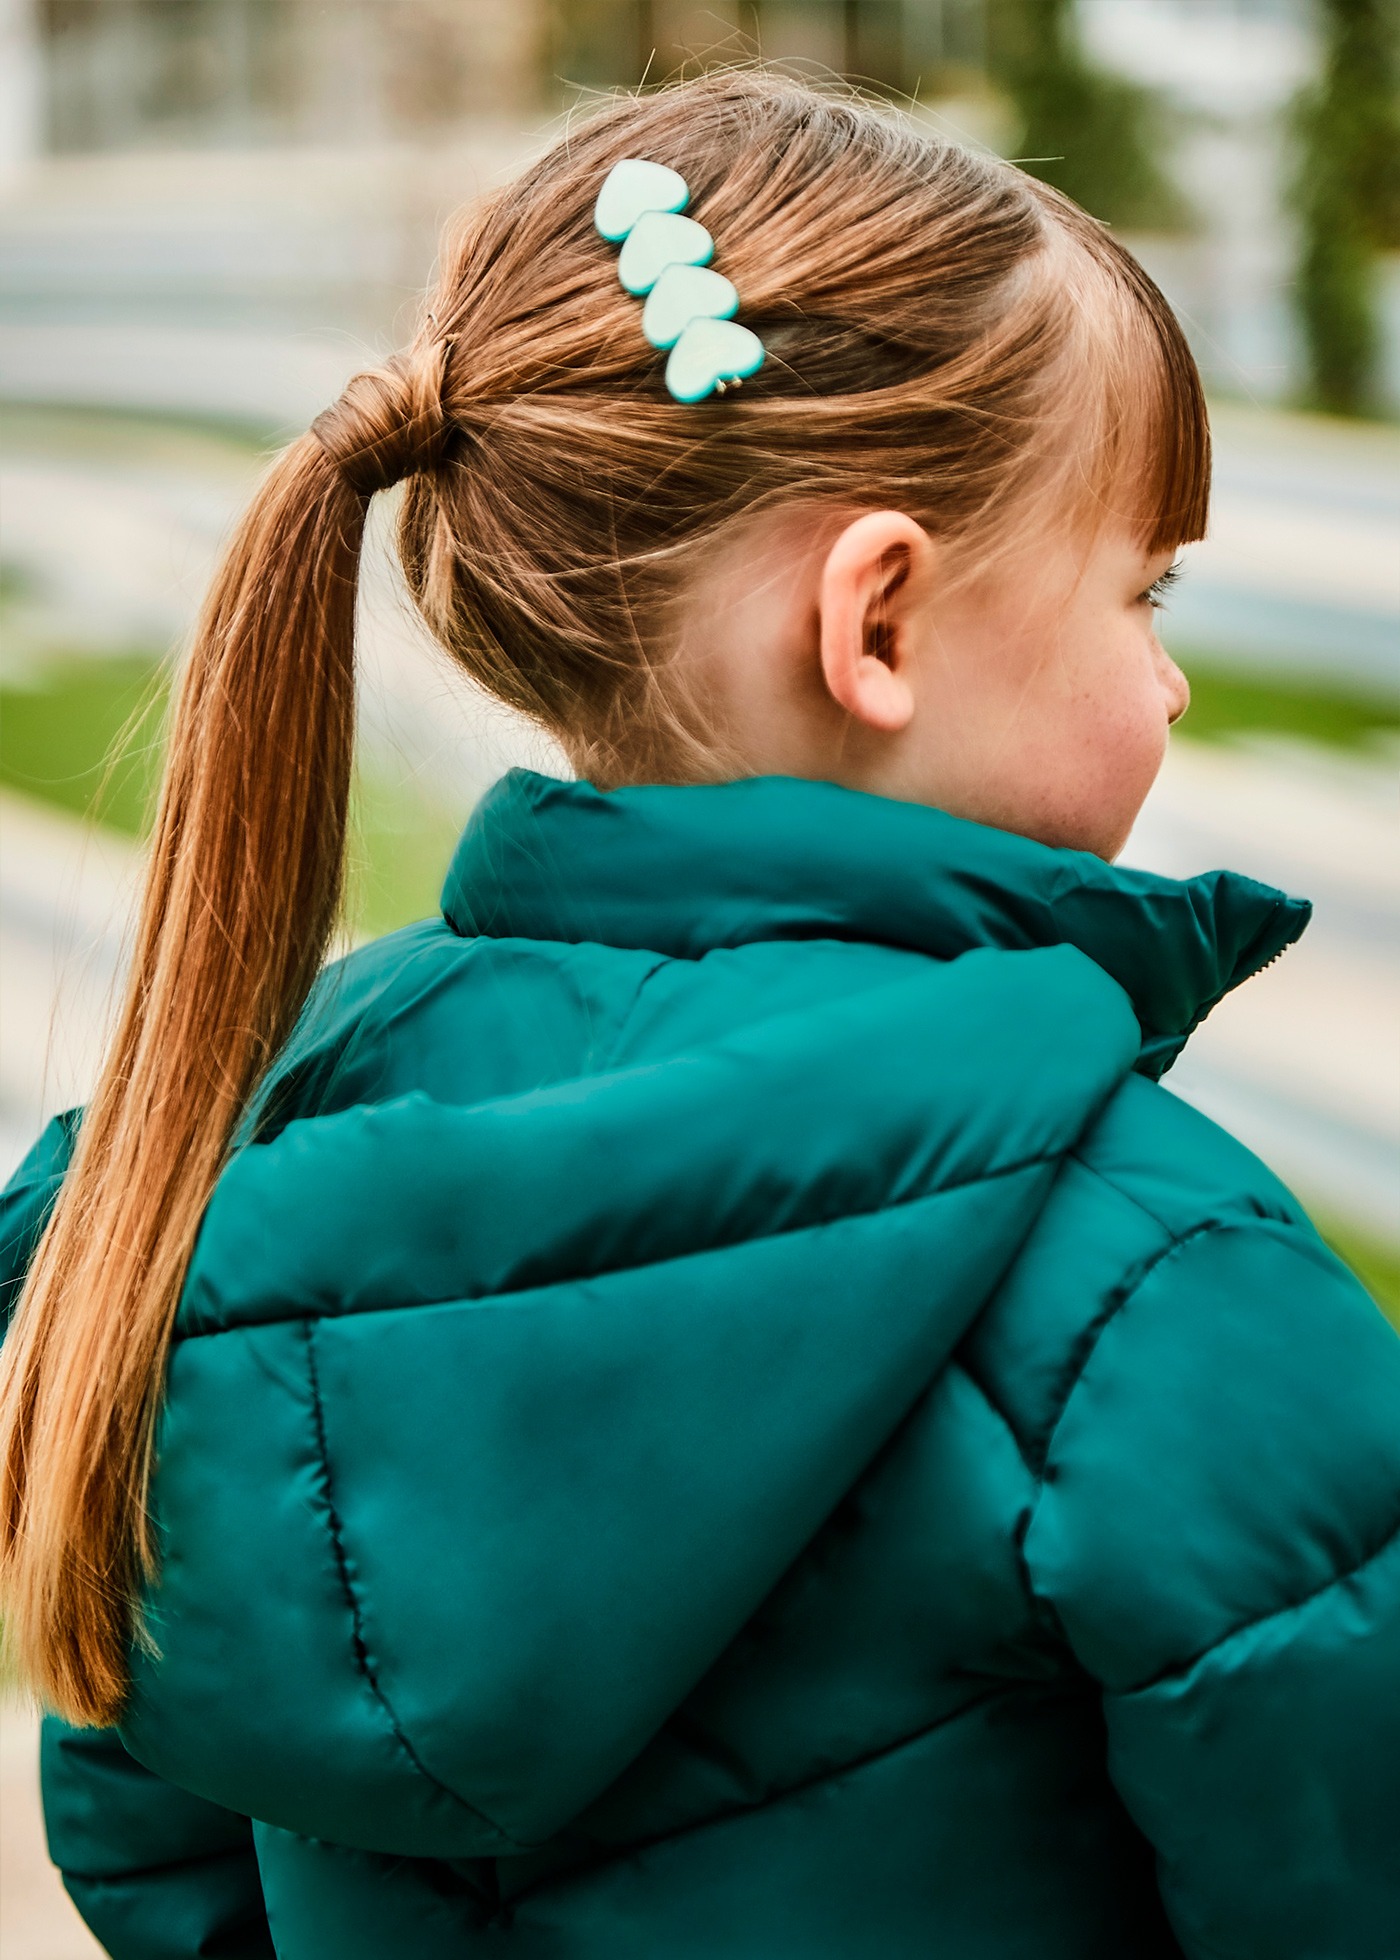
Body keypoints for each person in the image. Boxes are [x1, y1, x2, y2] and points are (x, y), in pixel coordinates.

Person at [1, 70, 1396, 1960]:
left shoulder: (211, 1182)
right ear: (877, 622)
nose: (1161, 684)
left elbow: (149, 1818)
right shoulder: (1157, 1282)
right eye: (1142, 590)